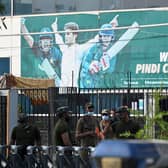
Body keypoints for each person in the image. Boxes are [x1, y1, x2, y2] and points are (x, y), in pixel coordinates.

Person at [51, 15, 119, 87]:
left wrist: (110, 27)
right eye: (65, 34)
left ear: (75, 35)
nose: (66, 36)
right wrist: (55, 30)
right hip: (62, 89)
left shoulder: (79, 50)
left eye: (68, 34)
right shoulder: (64, 49)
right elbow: (59, 39)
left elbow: (95, 39)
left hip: (73, 90)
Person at [21, 18, 62, 85]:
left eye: (47, 39)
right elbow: (28, 38)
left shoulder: (56, 52)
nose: (45, 41)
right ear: (40, 41)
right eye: (43, 39)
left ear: (51, 40)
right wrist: (22, 24)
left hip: (54, 85)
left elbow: (62, 69)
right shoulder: (37, 49)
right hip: (41, 84)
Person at [79, 23, 116, 88]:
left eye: (108, 36)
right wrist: (91, 66)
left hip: (100, 82)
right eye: (104, 36)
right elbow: (85, 62)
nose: (106, 38)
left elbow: (111, 69)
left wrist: (104, 67)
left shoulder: (112, 51)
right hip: (87, 79)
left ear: (111, 37)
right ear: (101, 37)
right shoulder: (94, 48)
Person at [75, 102, 100, 168]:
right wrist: (88, 133)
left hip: (94, 148)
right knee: (83, 165)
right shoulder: (81, 120)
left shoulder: (96, 120)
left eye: (92, 108)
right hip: (84, 148)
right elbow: (77, 135)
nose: (91, 110)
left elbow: (99, 133)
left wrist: (96, 134)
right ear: (86, 109)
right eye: (89, 108)